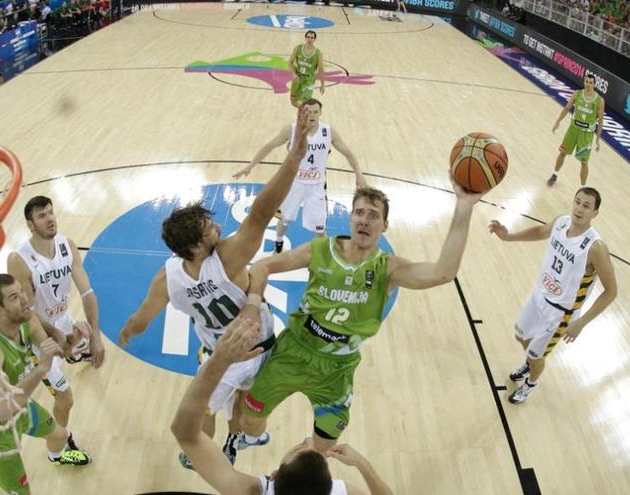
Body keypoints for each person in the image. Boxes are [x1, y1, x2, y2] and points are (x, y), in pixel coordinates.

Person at [119, 106, 316, 469]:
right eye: (209, 228)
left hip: (223, 354)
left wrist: (129, 331)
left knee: (204, 407)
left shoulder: (168, 276)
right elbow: (262, 209)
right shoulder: (226, 258)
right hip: (257, 346)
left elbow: (144, 316)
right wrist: (294, 157)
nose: (217, 229)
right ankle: (234, 441)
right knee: (239, 406)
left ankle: (205, 451)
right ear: (195, 246)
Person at [240, 180, 483, 452]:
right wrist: (252, 305)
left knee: (323, 449)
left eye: (374, 215)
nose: (365, 220)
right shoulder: (321, 249)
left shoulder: (387, 268)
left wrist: (463, 208)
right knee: (248, 421)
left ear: (384, 225)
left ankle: (303, 456)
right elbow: (262, 266)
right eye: (359, 212)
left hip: (336, 371)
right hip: (292, 351)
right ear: (350, 217)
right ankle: (255, 437)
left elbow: (443, 273)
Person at [170, 317, 394, 495]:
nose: (308, 441)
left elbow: (185, 432)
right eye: (316, 454)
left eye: (298, 449)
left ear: (274, 475)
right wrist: (363, 465)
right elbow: (186, 435)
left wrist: (217, 360)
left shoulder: (251, 490)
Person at [488, 187, 617, 404]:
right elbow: (540, 232)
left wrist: (581, 323)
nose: (579, 208)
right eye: (577, 202)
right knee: (520, 335)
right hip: (540, 295)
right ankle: (530, 364)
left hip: (560, 314)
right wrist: (508, 237)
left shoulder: (595, 247)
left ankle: (530, 384)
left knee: (535, 354)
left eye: (586, 206)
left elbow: (611, 292)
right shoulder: (561, 222)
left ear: (595, 213)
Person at [0, 274, 90, 494]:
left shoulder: (26, 319)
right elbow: (3, 411)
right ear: (0, 310)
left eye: (22, 291)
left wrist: (73, 340)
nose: (25, 300)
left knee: (61, 436)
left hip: (18, 401)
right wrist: (41, 369)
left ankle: (57, 457)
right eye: (14, 297)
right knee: (22, 491)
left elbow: (57, 348)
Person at [7, 195, 106, 451]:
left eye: (51, 212)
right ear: (30, 224)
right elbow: (26, 313)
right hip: (37, 338)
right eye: (41, 215)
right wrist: (56, 338)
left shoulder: (67, 246)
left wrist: (96, 335)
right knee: (65, 398)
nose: (50, 218)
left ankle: (74, 349)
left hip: (61, 320)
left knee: (84, 332)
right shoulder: (19, 260)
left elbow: (87, 293)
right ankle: (58, 450)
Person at [233, 99, 367, 253]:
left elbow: (348, 153)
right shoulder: (291, 130)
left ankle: (320, 255)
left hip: (316, 185)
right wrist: (250, 165)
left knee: (320, 227)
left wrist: (359, 173)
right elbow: (269, 146)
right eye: (308, 112)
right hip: (293, 183)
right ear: (302, 113)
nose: (312, 115)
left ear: (320, 113)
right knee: (285, 219)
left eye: (315, 112)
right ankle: (278, 240)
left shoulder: (328, 132)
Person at [547, 73, 604, 187]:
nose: (588, 84)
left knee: (584, 162)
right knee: (562, 152)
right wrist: (558, 121)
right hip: (573, 129)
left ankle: (583, 187)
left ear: (594, 85)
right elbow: (567, 108)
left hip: (586, 134)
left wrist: (597, 139)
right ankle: (554, 174)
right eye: (586, 82)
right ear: (584, 82)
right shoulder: (577, 94)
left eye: (590, 83)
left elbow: (600, 120)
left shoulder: (599, 100)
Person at [288, 30, 325, 108]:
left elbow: (321, 69)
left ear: (314, 40)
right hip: (297, 78)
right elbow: (290, 62)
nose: (310, 39)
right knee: (293, 101)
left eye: (312, 37)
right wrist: (293, 74)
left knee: (304, 103)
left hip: (308, 81)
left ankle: (307, 117)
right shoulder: (297, 48)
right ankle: (304, 115)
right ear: (305, 38)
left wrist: (322, 84)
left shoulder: (318, 53)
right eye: (308, 37)